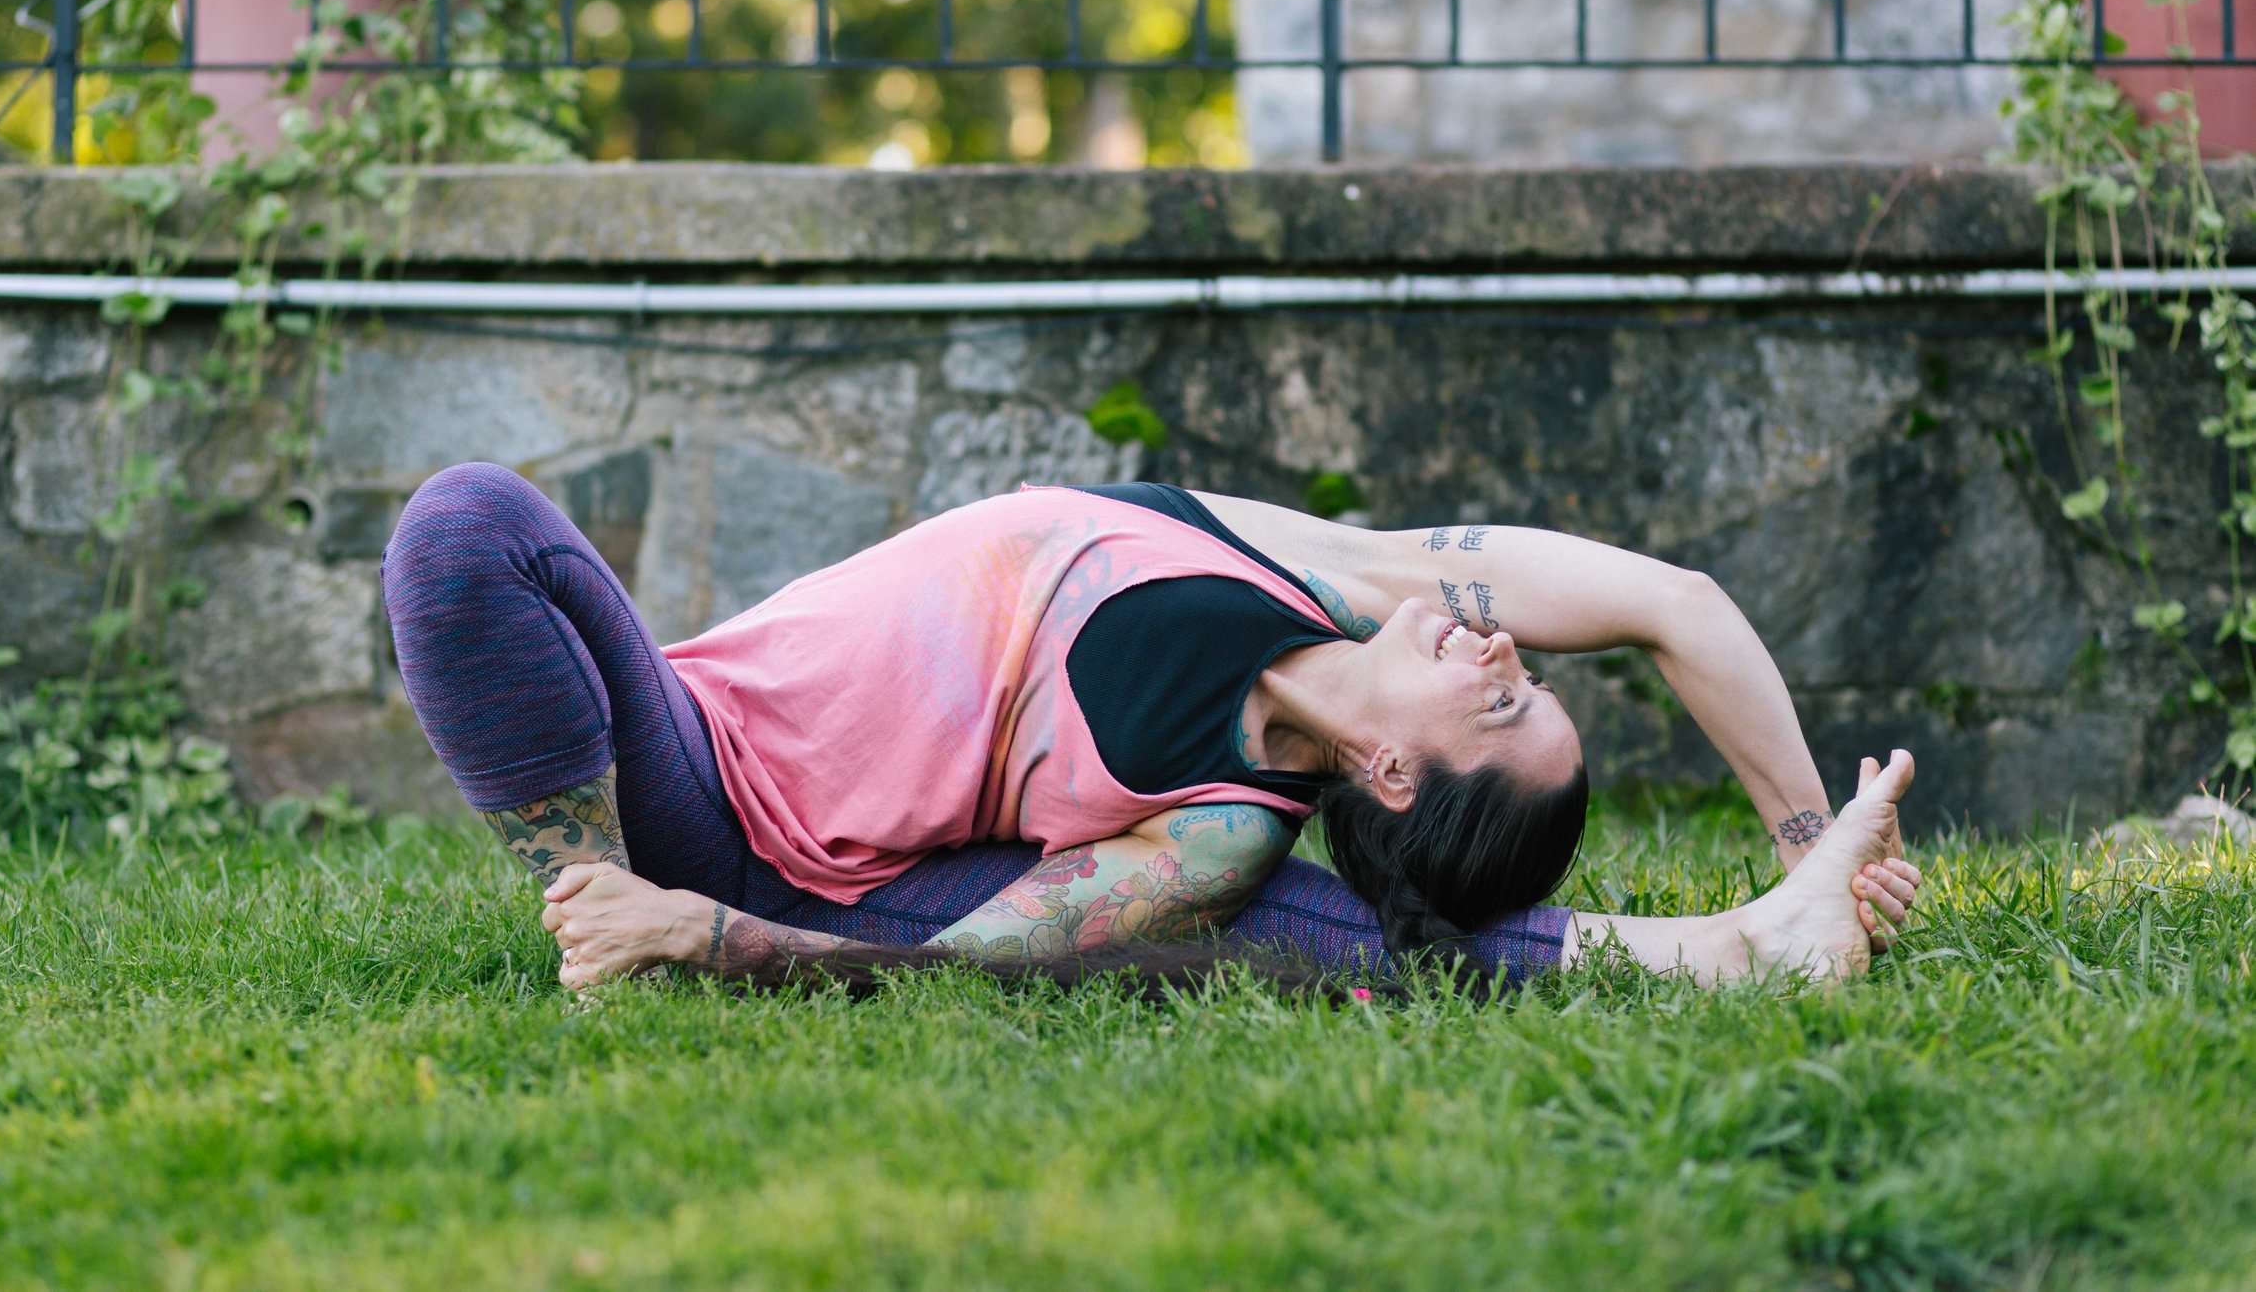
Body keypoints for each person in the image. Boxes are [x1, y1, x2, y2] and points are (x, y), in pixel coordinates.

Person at [381, 465, 1921, 993]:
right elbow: (1681, 602)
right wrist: (1815, 843)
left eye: (1506, 700)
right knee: (471, 531)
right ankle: (584, 905)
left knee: (1279, 929)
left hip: (766, 859)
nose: (1510, 645)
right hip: (686, 724)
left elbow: (948, 958)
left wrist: (704, 932)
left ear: (1393, 770)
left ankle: (609, 933)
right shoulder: (1334, 568)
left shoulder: (1214, 835)